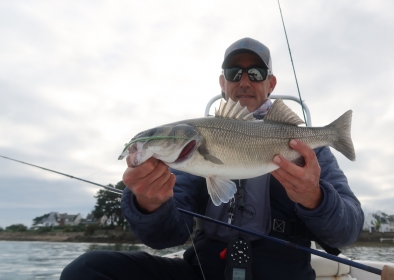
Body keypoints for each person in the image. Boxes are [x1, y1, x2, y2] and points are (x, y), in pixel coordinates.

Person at [61, 37, 364, 280]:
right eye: (234, 73)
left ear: (271, 85)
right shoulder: (188, 154)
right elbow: (167, 235)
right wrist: (150, 205)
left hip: (284, 272)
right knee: (87, 270)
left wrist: (316, 198)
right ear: (222, 82)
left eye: (256, 73)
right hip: (204, 269)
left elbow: (348, 231)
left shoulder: (311, 151)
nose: (244, 81)